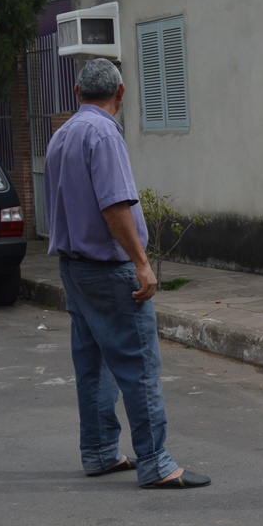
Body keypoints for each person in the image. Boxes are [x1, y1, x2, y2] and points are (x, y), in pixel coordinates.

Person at [44, 58, 210, 490]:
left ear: (77, 93)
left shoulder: (62, 135)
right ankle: (156, 462)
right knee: (139, 364)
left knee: (93, 363)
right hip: (106, 268)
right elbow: (115, 206)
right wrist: (142, 263)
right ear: (121, 94)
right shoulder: (103, 133)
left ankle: (100, 452)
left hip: (74, 269)